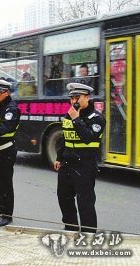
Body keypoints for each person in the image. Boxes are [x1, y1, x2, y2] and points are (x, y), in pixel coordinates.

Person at [54, 83, 106, 233]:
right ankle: (70, 228)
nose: (73, 101)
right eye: (71, 98)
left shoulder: (96, 118)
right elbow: (66, 137)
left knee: (85, 202)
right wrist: (59, 157)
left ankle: (89, 234)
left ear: (87, 98)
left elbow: (88, 137)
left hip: (85, 165)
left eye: (77, 98)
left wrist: (76, 119)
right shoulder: (70, 115)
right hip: (67, 163)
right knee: (64, 197)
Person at [0, 79, 21, 227]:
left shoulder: (11, 109)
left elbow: (5, 127)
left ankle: (7, 214)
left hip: (6, 150)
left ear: (7, 92)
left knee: (6, 183)